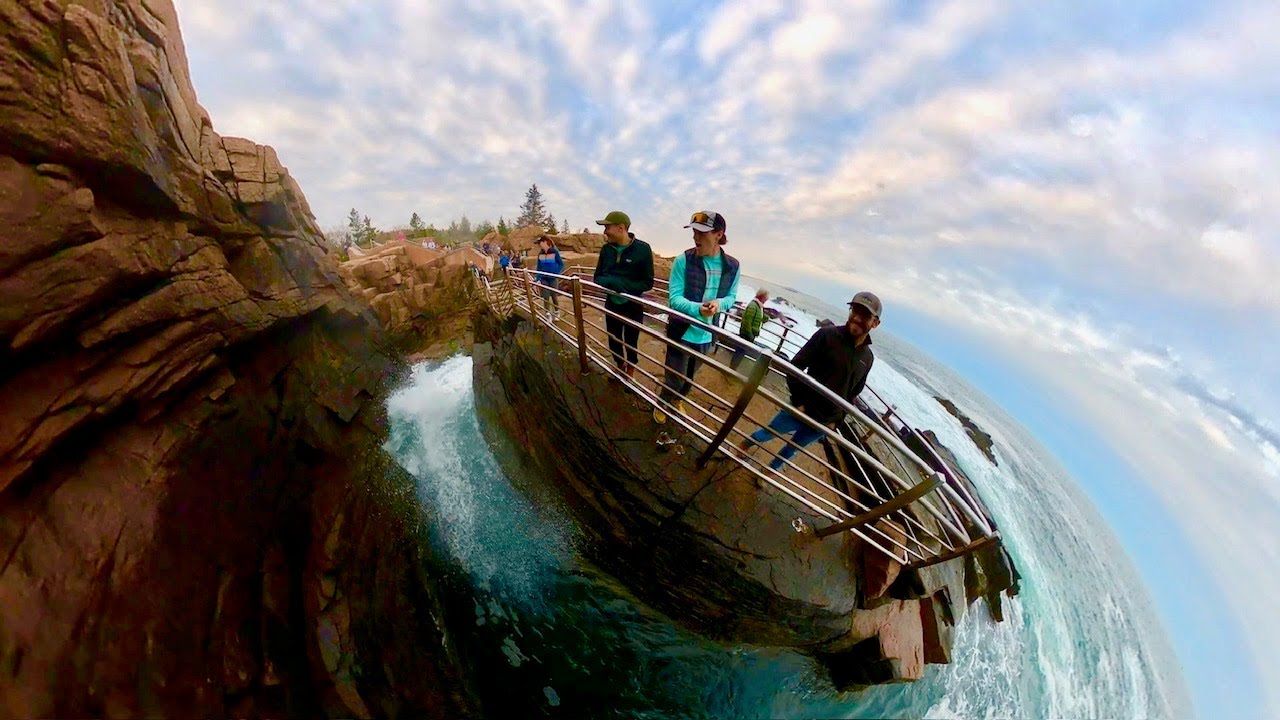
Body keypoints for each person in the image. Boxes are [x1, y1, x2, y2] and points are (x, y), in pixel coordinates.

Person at [738, 292, 881, 470]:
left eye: (865, 315)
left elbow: (853, 393)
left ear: (875, 323)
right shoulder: (827, 335)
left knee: (793, 449)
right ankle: (742, 447)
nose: (857, 317)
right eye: (855, 310)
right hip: (802, 409)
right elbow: (795, 366)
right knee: (769, 432)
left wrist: (837, 421)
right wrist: (799, 402)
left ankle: (769, 470)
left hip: (825, 421)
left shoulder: (867, 358)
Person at [654, 211, 740, 424]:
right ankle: (663, 402)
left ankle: (677, 401)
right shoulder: (684, 260)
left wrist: (718, 304)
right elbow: (674, 299)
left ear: (719, 234)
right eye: (694, 232)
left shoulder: (733, 266)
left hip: (708, 335)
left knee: (690, 378)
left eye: (702, 233)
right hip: (681, 332)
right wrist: (698, 309)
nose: (695, 237)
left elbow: (731, 297)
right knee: (674, 377)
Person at [592, 210, 655, 378]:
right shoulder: (606, 250)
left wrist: (624, 286)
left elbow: (648, 282)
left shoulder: (643, 249)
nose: (605, 232)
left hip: (633, 304)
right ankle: (620, 365)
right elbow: (597, 277)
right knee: (613, 338)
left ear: (621, 228)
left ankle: (631, 369)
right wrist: (610, 283)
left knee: (631, 340)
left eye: (607, 227)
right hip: (611, 303)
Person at [730, 288, 769, 370]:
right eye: (766, 298)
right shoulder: (753, 306)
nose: (766, 300)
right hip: (746, 335)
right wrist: (750, 335)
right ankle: (731, 369)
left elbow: (758, 317)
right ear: (762, 297)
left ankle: (732, 369)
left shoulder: (758, 306)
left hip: (749, 335)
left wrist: (765, 317)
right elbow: (747, 321)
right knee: (740, 352)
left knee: (741, 352)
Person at [534, 235, 565, 321]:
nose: (539, 245)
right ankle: (547, 314)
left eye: (540, 243)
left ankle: (556, 312)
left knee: (554, 296)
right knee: (546, 296)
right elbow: (539, 268)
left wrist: (556, 273)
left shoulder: (554, 252)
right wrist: (537, 279)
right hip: (544, 279)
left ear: (545, 242)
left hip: (553, 278)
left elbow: (561, 264)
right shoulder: (540, 254)